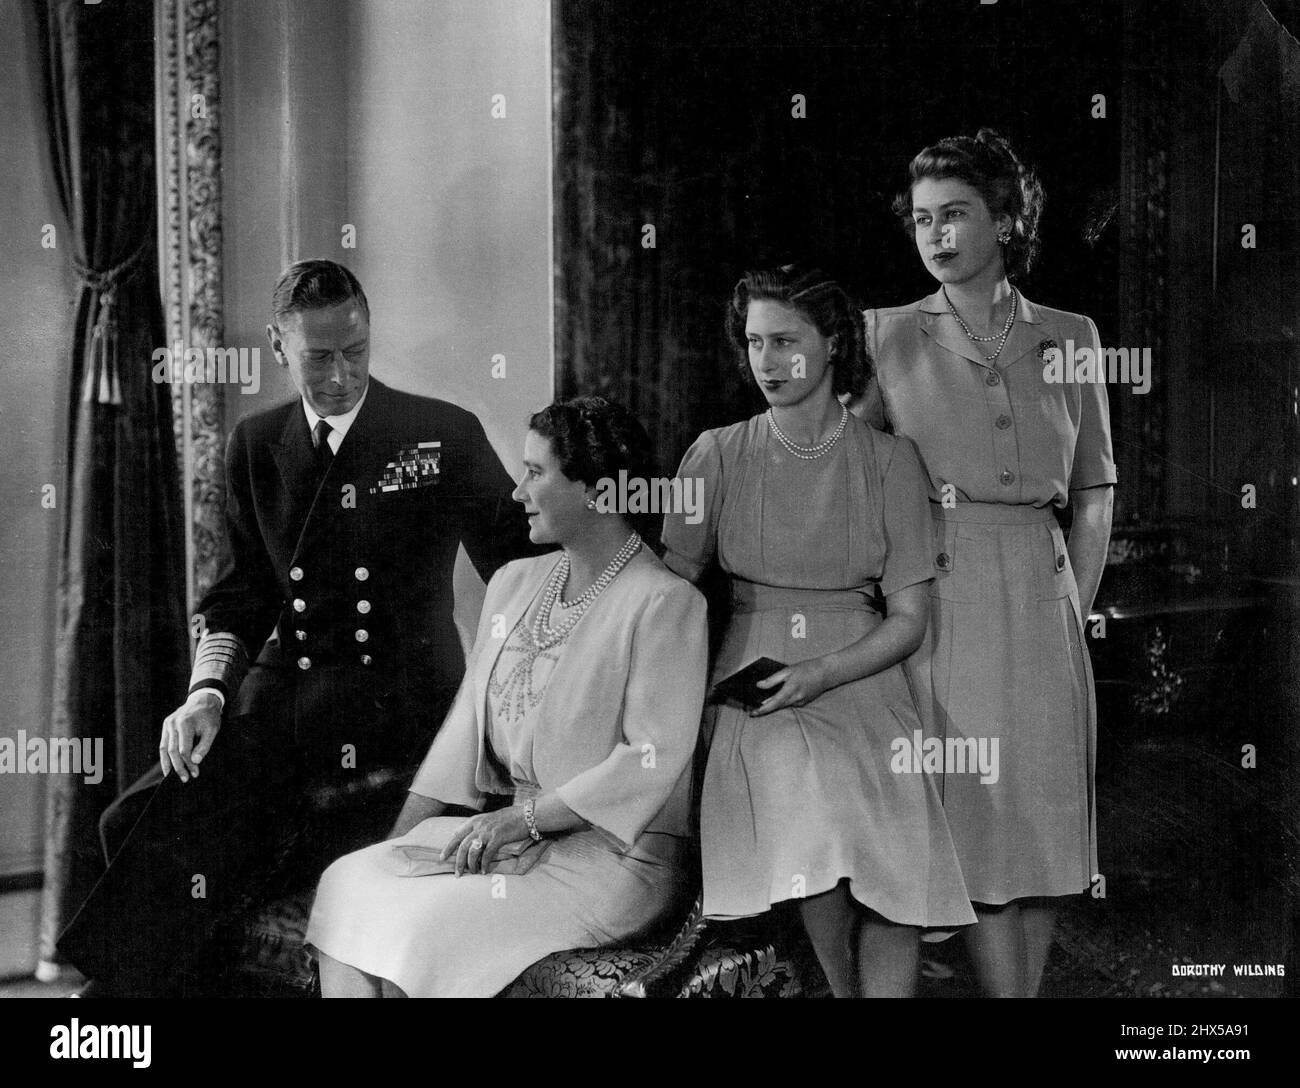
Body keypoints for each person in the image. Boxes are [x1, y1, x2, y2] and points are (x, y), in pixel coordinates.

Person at [57, 258, 536, 997]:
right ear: (281, 349)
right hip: (281, 696)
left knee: (207, 838)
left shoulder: (437, 433)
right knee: (129, 818)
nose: (341, 375)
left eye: (355, 351)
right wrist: (208, 693)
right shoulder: (256, 443)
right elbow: (245, 591)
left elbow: (524, 556)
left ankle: (108, 1013)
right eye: (319, 357)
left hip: (395, 704)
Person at [306, 397, 706, 998]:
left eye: (536, 473)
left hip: (613, 862)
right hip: (511, 839)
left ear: (599, 493)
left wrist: (520, 821)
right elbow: (461, 731)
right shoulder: (515, 583)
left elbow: (647, 759)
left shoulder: (664, 603)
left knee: (420, 931)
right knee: (349, 882)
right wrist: (400, 847)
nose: (517, 493)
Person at [661, 264, 975, 998]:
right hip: (756, 683)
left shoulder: (892, 462)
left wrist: (820, 674)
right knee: (819, 810)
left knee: (893, 849)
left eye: (785, 341)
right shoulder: (716, 454)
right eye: (753, 343)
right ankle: (841, 988)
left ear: (832, 343)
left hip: (861, 672)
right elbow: (668, 595)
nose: (766, 362)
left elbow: (909, 622)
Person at [858, 130, 1115, 997]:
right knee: (974, 820)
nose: (934, 235)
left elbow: (1093, 493)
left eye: (955, 214)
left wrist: (1069, 610)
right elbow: (851, 476)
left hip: (1042, 595)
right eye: (922, 219)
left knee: (1042, 835)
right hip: (937, 596)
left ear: (1005, 220)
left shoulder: (1071, 335)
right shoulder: (883, 337)